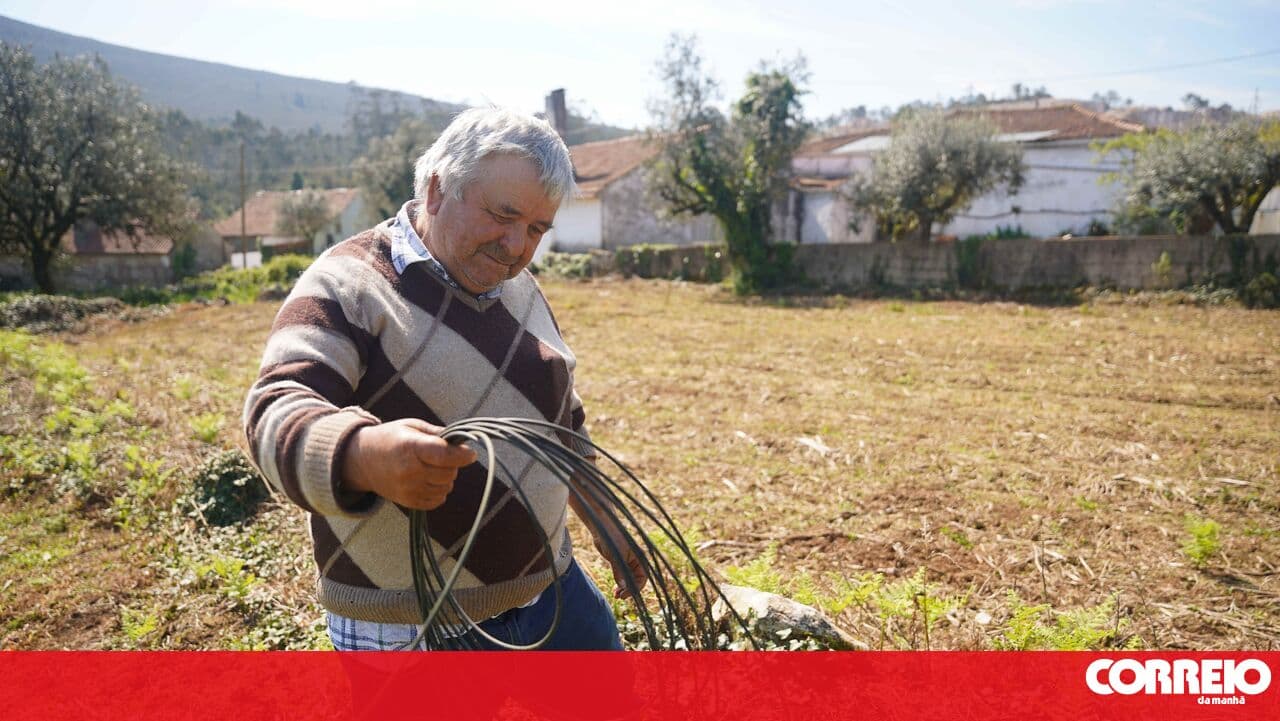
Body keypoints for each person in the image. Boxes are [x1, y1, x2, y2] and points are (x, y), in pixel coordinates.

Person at [242, 107, 646, 653]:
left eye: (536, 229)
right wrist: (363, 455)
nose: (516, 247)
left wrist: (603, 518)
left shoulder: (518, 285)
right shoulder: (348, 286)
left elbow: (561, 419)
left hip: (548, 590)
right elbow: (273, 411)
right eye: (502, 215)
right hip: (412, 624)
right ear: (437, 190)